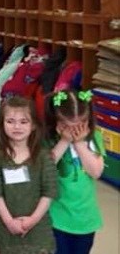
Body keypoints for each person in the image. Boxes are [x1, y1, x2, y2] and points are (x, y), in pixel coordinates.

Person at [0, 96, 57, 254]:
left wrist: (33, 220)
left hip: (37, 226)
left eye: (23, 122)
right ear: (2, 124)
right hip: (3, 224)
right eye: (10, 121)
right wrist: (9, 221)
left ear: (34, 125)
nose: (17, 126)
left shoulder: (43, 156)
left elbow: (49, 191)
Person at [45, 90, 104, 254]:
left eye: (80, 125)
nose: (74, 131)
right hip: (56, 218)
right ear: (57, 121)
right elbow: (44, 170)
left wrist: (79, 143)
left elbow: (96, 172)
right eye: (68, 126)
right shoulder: (49, 139)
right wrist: (64, 141)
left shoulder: (94, 137)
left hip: (85, 219)